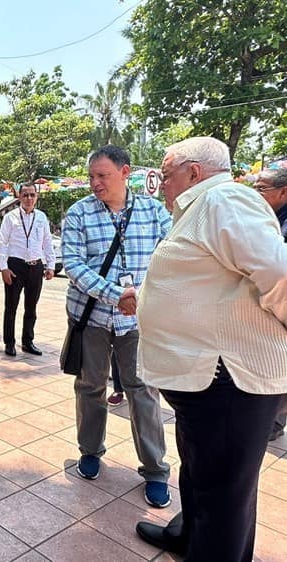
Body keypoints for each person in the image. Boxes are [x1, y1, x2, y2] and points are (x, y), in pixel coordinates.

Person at [134, 137, 287, 561]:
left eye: (165, 176)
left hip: (228, 380)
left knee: (224, 497)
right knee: (203, 474)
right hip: (206, 380)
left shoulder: (225, 198)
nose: (160, 185)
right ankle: (187, 534)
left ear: (194, 172)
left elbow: (279, 273)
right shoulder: (203, 207)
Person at [62, 145, 172, 508]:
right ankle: (90, 450)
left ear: (125, 173)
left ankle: (155, 470)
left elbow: (171, 258)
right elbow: (75, 266)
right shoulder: (78, 213)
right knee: (91, 386)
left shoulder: (154, 212)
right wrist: (114, 294)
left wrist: (139, 297)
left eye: (102, 175)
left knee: (143, 391)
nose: (95, 183)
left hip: (138, 319)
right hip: (91, 316)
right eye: (91, 176)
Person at [0, 182, 56, 356]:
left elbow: (47, 242)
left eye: (32, 195)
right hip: (15, 266)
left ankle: (28, 341)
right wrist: (4, 268)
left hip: (35, 266)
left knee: (31, 307)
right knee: (11, 306)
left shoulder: (41, 217)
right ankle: (9, 342)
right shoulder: (11, 217)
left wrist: (50, 265)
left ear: (36, 197)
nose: (29, 198)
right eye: (25, 195)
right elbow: (3, 244)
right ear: (19, 197)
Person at [254, 168, 287, 442]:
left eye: (261, 188)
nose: (256, 193)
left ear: (283, 192)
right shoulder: (265, 219)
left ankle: (272, 424)